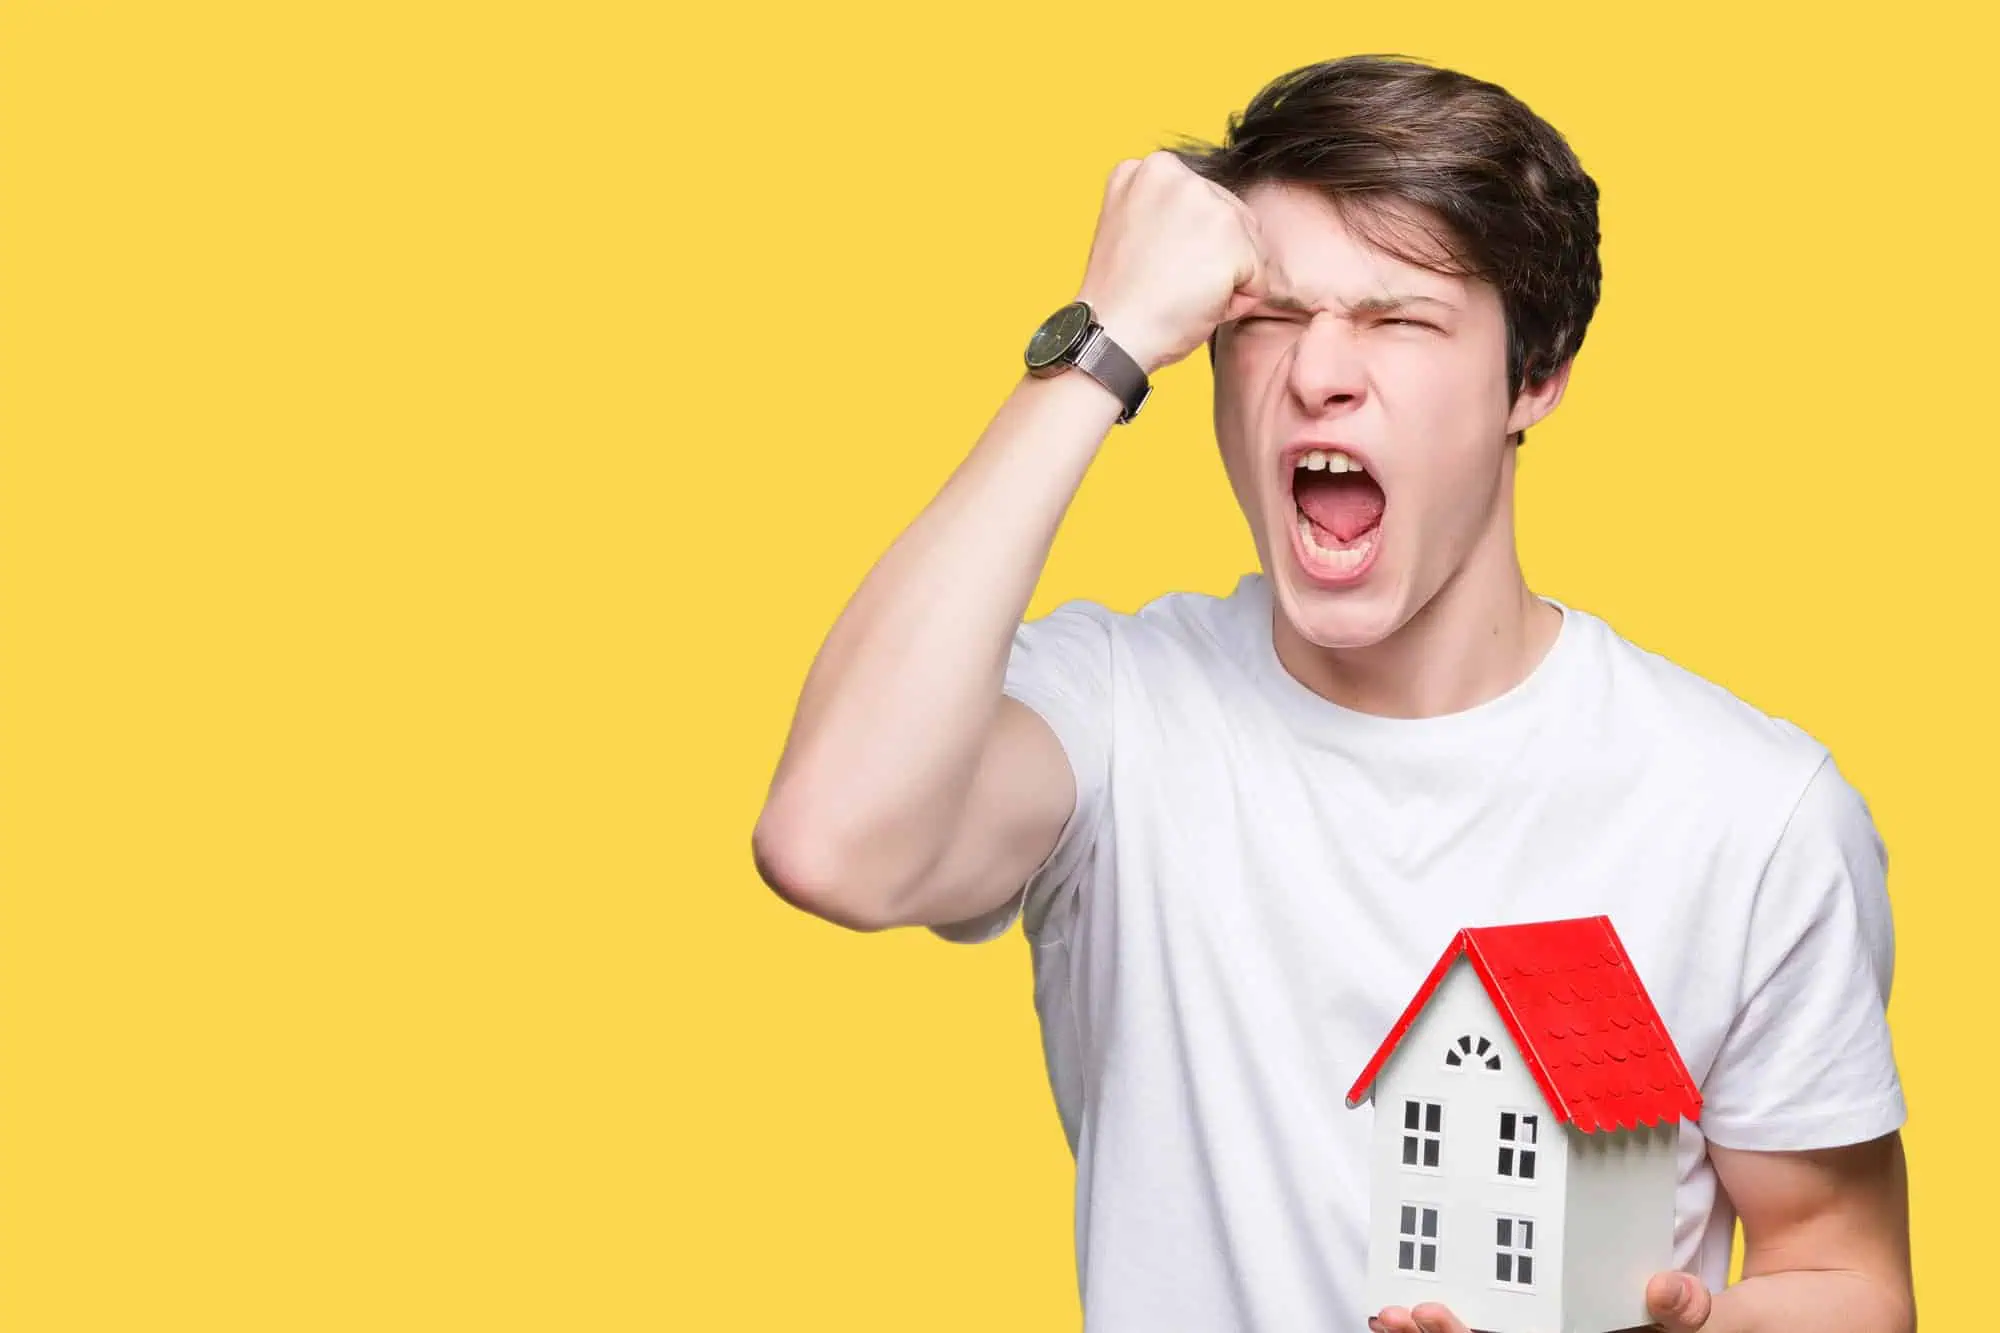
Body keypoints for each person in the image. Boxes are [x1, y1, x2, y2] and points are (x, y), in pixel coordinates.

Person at [751, 53, 1914, 1333]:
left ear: (1533, 376)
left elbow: (1842, 1278)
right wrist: (1101, 340)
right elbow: (829, 844)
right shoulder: (1113, 718)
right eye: (1265, 320)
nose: (1318, 374)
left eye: (1399, 319)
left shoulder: (1749, 812)